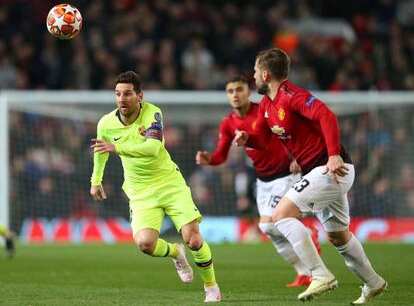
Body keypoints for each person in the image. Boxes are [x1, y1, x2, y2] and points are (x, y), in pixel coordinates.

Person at [234, 48, 387, 304]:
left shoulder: (292, 96)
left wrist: (333, 154)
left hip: (331, 168)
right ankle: (373, 282)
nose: (252, 76)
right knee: (339, 236)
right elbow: (262, 139)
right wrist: (247, 138)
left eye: (254, 71)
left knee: (280, 215)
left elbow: (326, 116)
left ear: (265, 74)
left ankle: (319, 274)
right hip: (320, 172)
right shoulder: (266, 107)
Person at [90, 70, 221, 303]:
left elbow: (153, 149)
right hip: (140, 192)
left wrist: (117, 148)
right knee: (145, 244)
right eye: (118, 94)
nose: (122, 99)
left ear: (139, 96)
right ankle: (175, 253)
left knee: (193, 239)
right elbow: (101, 152)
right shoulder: (106, 124)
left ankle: (211, 286)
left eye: (128, 94)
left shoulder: (153, 113)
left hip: (169, 184)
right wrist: (96, 180)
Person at [196, 75, 321, 288]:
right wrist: (210, 160)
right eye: (230, 91)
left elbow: (290, 132)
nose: (235, 95)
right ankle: (303, 272)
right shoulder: (228, 122)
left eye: (239, 89)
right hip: (263, 180)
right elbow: (221, 155)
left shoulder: (264, 111)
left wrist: (297, 158)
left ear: (248, 91)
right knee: (269, 229)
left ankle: (309, 235)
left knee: (268, 224)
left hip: (285, 174)